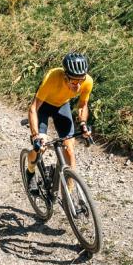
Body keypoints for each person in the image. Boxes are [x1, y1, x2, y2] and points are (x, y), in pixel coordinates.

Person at [25, 52, 93, 193]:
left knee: (69, 149)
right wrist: (35, 135)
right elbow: (33, 108)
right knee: (41, 147)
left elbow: (82, 105)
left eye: (81, 80)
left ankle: (69, 194)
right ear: (65, 76)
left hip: (62, 106)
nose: (78, 86)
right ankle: (30, 171)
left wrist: (83, 124)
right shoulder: (52, 78)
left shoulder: (88, 81)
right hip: (43, 107)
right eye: (74, 81)